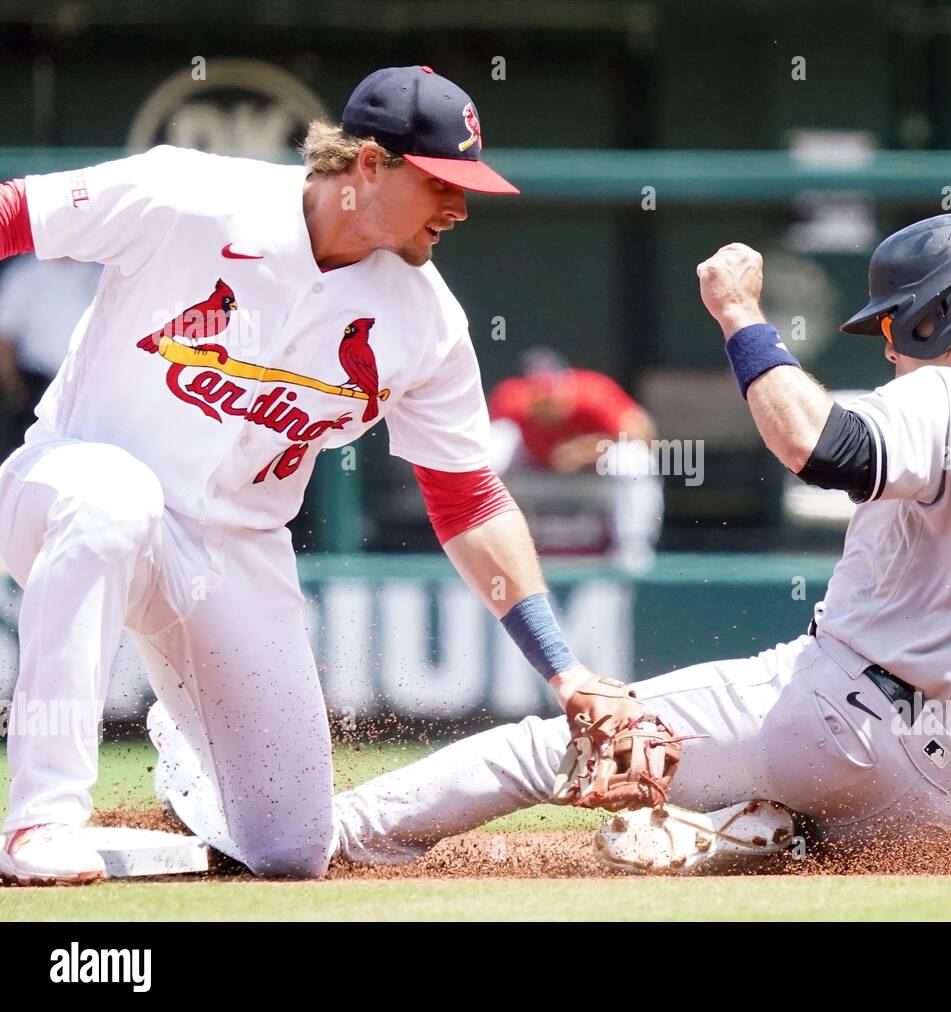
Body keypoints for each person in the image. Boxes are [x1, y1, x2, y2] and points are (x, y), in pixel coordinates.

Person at [328, 214, 951, 873]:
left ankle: (338, 834)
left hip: (839, 719)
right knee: (799, 853)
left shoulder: (943, 396)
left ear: (935, 313)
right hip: (942, 804)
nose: (889, 347)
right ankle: (755, 833)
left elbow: (816, 445)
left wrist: (740, 315)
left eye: (891, 323)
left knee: (549, 745)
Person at [0, 66, 671, 885]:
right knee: (115, 502)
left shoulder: (426, 320)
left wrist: (563, 665)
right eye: (439, 182)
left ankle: (190, 771)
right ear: (367, 166)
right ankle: (42, 819)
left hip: (232, 551)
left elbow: (467, 500)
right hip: (70, 491)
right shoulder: (186, 194)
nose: (459, 206)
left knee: (289, 849)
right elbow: (13, 214)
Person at [488, 347, 663, 571]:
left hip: (596, 468)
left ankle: (632, 548)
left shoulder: (592, 392)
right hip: (532, 461)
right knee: (494, 444)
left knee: (634, 458)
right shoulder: (511, 397)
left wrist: (587, 449)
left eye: (551, 389)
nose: (546, 399)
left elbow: (644, 433)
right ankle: (481, 543)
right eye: (537, 392)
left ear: (565, 384)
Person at [0, 256, 101, 453]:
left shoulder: (98, 270)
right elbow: (5, 338)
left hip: (88, 384)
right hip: (38, 383)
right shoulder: (25, 273)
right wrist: (14, 390)